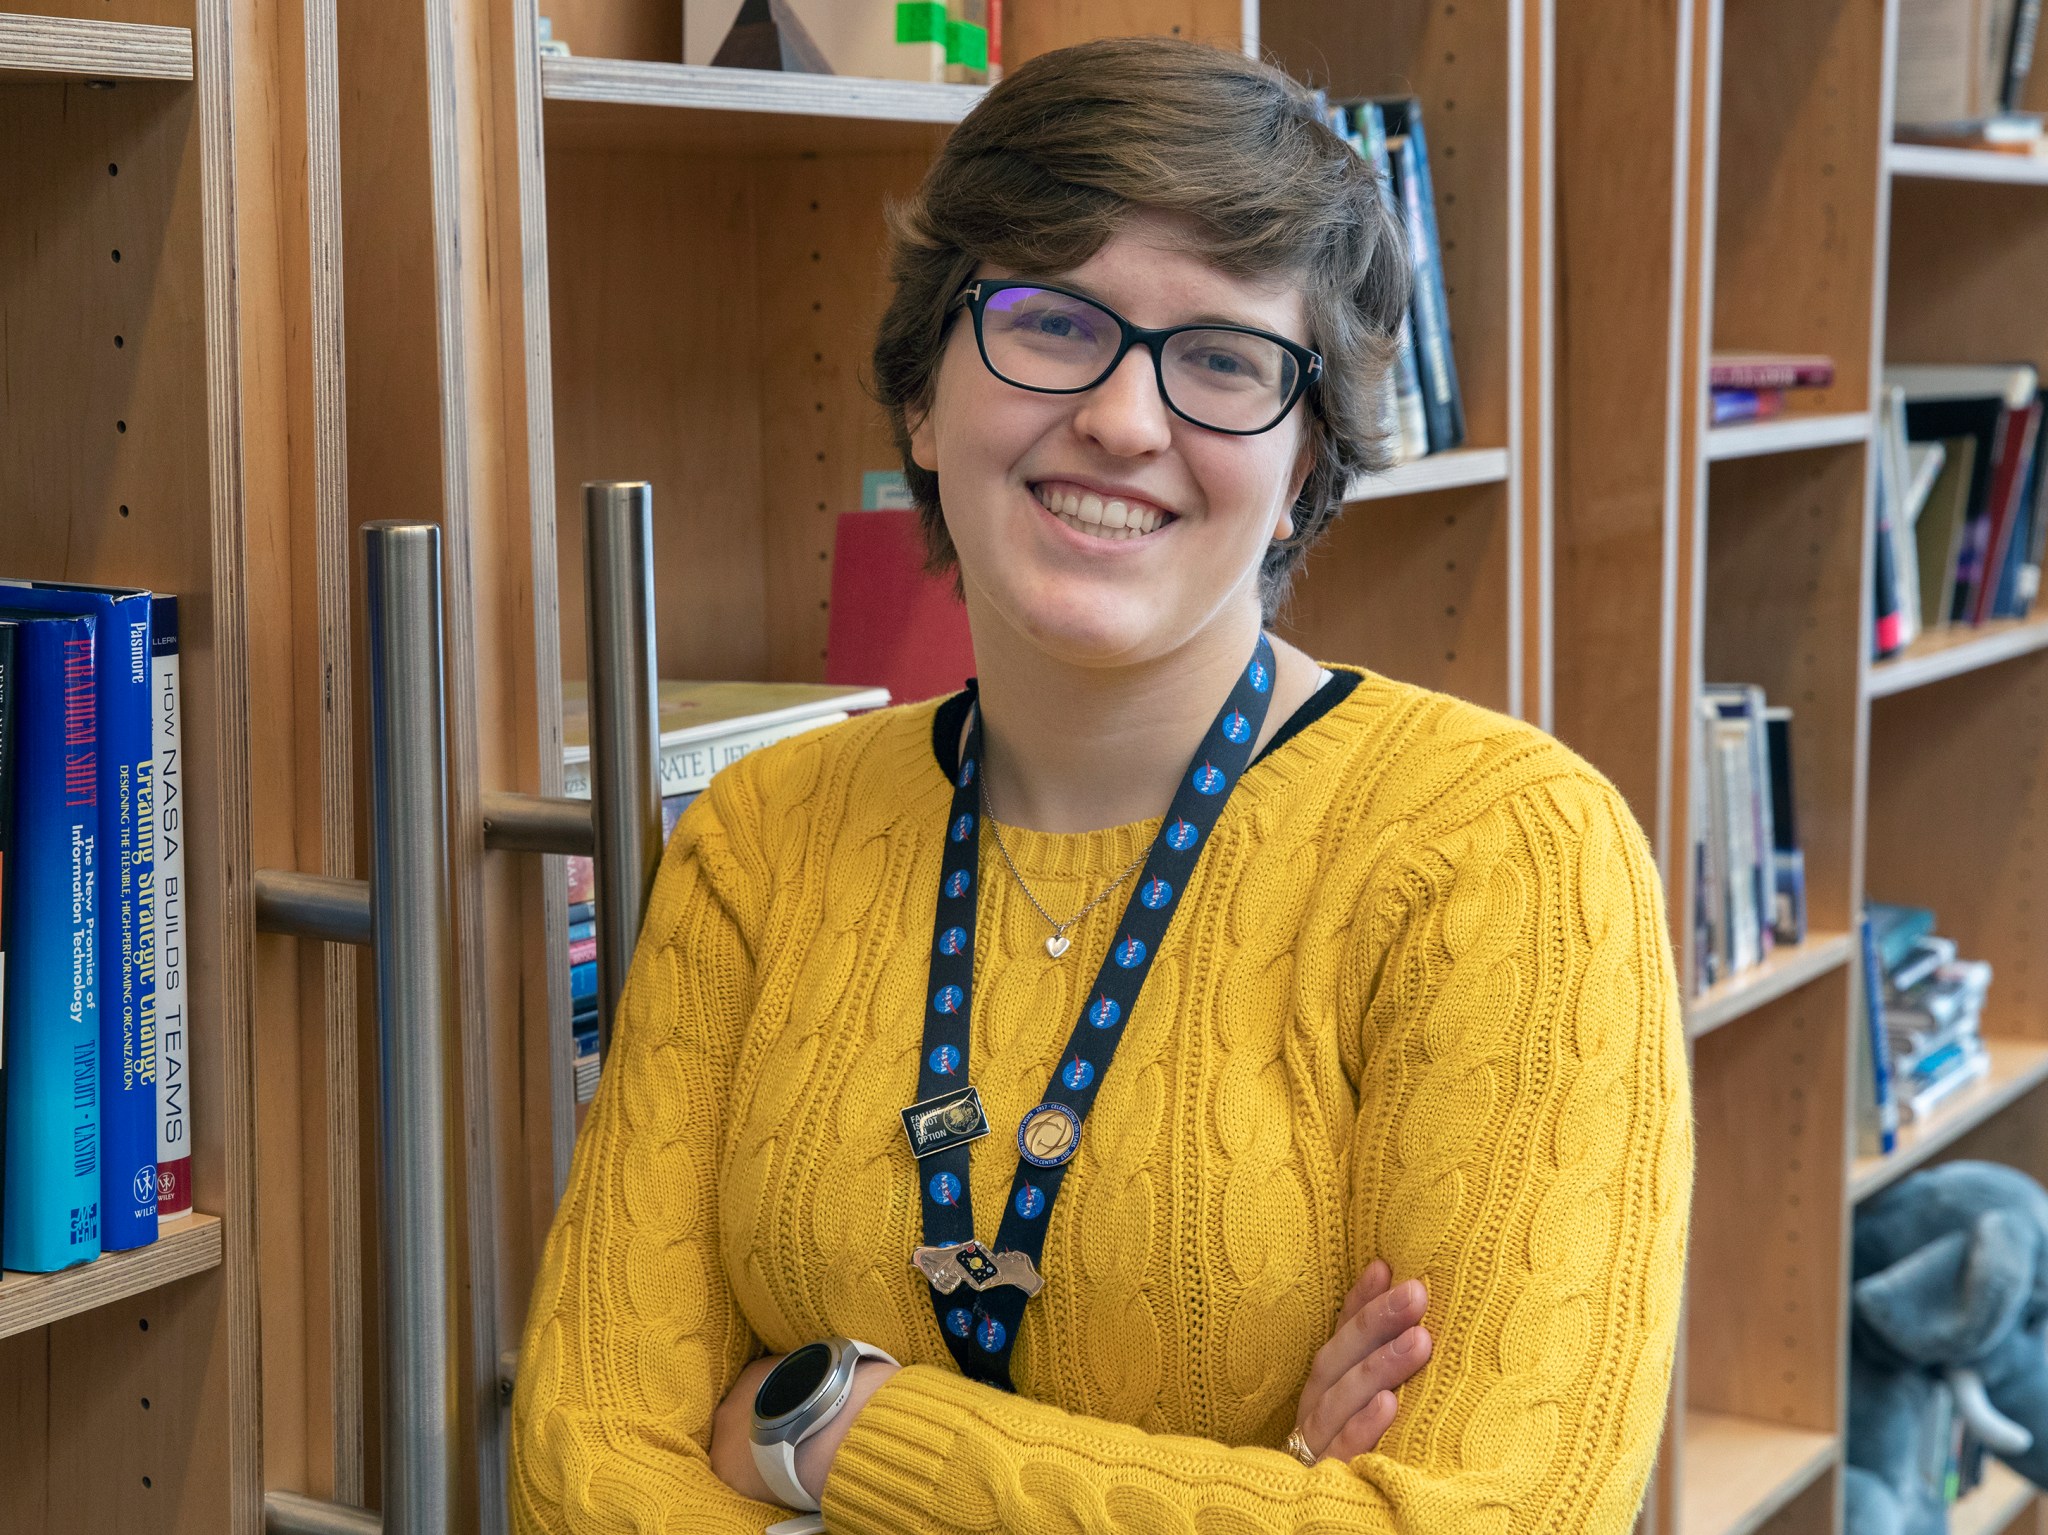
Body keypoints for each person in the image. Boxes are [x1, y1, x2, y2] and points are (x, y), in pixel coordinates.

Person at [510, 33, 1690, 1535]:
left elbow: (1482, 1523)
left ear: (1306, 463)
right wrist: (1260, 1496)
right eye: (1054, 323)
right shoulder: (761, 839)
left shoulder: (1501, 855)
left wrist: (832, 1433)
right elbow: (579, 1473)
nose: (1126, 421)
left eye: (1222, 359)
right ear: (927, 402)